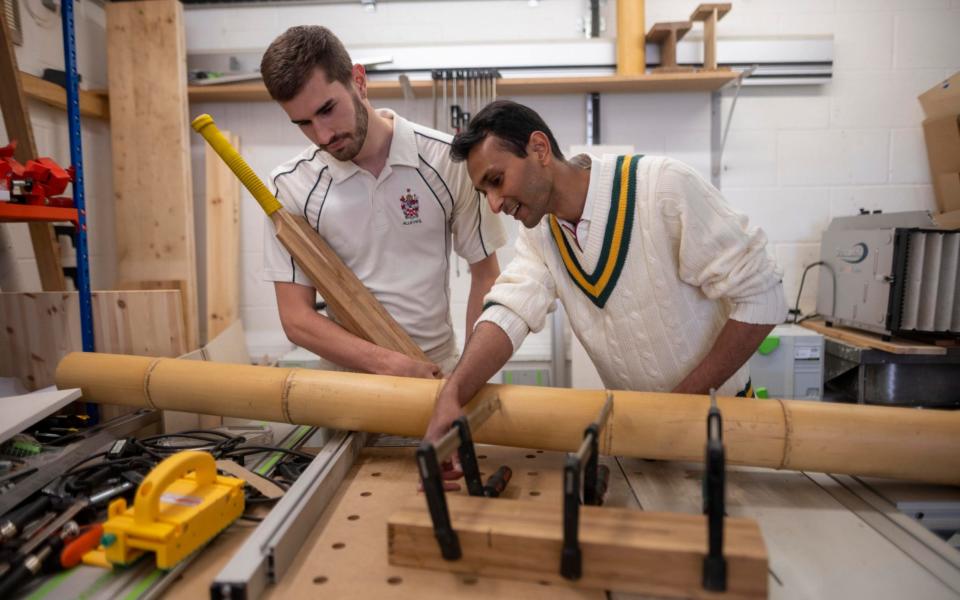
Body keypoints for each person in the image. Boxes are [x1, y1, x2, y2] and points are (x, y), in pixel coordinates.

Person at [425, 100, 787, 446]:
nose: (494, 203)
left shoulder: (663, 187)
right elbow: (510, 310)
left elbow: (764, 296)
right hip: (640, 438)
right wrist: (453, 393)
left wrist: (679, 406)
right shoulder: (539, 235)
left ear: (539, 149)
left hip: (725, 431)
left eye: (497, 180)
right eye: (484, 191)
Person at [259, 26, 505, 377]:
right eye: (304, 123)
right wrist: (392, 364)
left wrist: (467, 376)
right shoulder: (290, 186)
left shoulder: (445, 161)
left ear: (358, 80)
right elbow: (297, 319)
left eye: (327, 109)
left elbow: (486, 277)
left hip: (435, 371)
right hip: (346, 384)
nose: (323, 135)